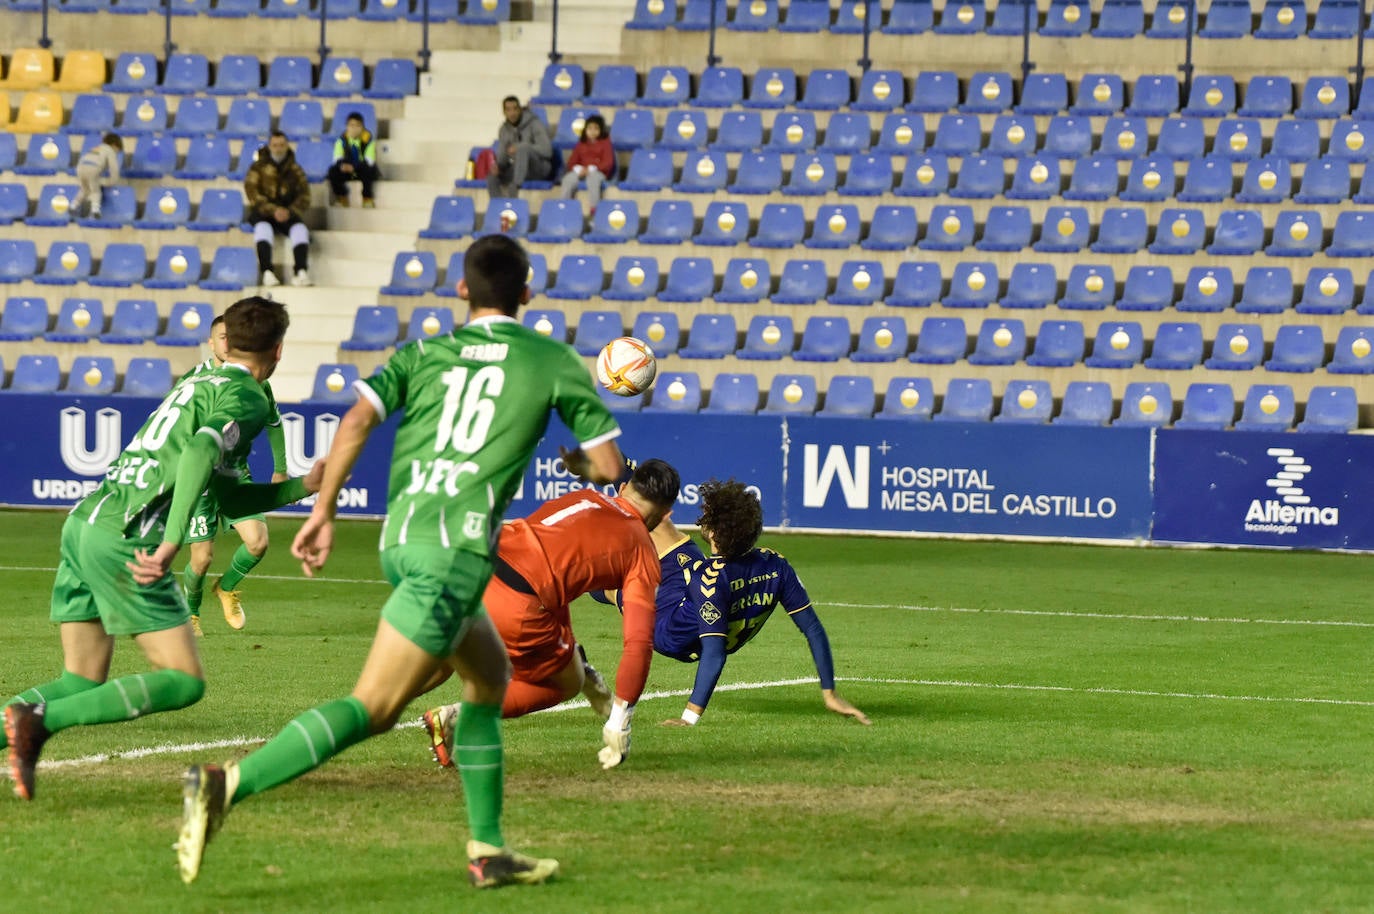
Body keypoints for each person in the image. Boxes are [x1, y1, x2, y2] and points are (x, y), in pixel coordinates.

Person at [175, 235, 627, 889]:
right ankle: (224, 785)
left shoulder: (426, 351)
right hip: (455, 551)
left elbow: (358, 418)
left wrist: (323, 509)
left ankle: (489, 849)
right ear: (527, 294)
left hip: (406, 537)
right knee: (376, 707)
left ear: (462, 291)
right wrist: (579, 463)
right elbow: (609, 467)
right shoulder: (551, 359)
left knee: (488, 679)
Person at [2, 296, 323, 802]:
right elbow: (198, 452)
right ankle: (33, 723)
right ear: (279, 350)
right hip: (129, 538)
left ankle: (23, 723)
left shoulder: (195, 382)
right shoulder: (252, 398)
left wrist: (304, 485)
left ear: (228, 340)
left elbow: (224, 492)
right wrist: (173, 539)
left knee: (81, 679)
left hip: (88, 520)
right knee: (182, 681)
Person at [420, 458, 681, 773]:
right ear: (665, 513)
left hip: (471, 564)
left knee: (435, 665)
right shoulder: (642, 552)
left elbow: (547, 566)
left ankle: (360, 712)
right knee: (564, 683)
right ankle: (455, 717)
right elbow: (639, 643)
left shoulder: (584, 498)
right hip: (516, 604)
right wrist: (620, 721)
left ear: (624, 488)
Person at [650, 480, 871, 729]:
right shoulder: (776, 566)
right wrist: (830, 693)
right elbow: (813, 629)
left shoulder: (709, 580)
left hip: (667, 630)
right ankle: (626, 483)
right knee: (657, 522)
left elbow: (714, 652)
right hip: (692, 602)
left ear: (712, 532)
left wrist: (688, 718)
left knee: (613, 581)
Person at [179, 315, 289, 637]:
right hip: (199, 480)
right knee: (201, 560)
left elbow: (273, 423)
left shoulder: (254, 381)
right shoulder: (192, 381)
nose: (229, 344)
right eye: (223, 338)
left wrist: (280, 469)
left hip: (234, 473)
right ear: (211, 343)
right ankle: (191, 613)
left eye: (234, 338)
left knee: (257, 542)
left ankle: (226, 588)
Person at [245, 131, 312, 288]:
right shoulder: (257, 168)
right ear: (270, 146)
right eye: (275, 145)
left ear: (287, 145)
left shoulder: (296, 169)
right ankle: (267, 272)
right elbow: (252, 193)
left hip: (288, 213)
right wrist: (273, 210)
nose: (278, 148)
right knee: (262, 228)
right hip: (264, 213)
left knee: (300, 230)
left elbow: (305, 196)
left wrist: (290, 211)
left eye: (282, 145)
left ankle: (301, 271)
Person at [486, 96, 553, 200]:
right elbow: (503, 157)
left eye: (515, 109)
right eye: (508, 110)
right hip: (517, 168)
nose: (512, 113)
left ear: (520, 109)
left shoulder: (535, 124)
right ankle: (499, 207)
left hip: (538, 168)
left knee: (523, 148)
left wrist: (522, 147)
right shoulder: (504, 129)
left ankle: (515, 187)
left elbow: (547, 150)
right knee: (492, 178)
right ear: (504, 112)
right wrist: (498, 167)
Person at [557, 114, 613, 214]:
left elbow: (608, 162)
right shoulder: (581, 144)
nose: (592, 131)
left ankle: (594, 209)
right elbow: (571, 162)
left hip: (598, 172)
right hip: (581, 171)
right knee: (568, 179)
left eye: (596, 128)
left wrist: (592, 168)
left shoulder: (605, 143)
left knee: (593, 179)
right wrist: (578, 169)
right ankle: (565, 207)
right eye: (590, 128)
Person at [328, 111, 379, 208]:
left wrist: (354, 167)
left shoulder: (368, 140)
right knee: (333, 170)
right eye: (351, 125)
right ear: (347, 126)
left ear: (362, 127)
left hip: (361, 169)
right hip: (346, 169)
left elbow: (369, 160)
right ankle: (342, 197)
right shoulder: (341, 140)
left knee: (369, 170)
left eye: (357, 126)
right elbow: (337, 158)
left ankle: (367, 198)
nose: (354, 129)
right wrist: (342, 165)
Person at [73, 132, 123, 219]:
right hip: (93, 169)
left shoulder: (95, 148)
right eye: (117, 151)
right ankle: (95, 210)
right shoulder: (110, 151)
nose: (116, 153)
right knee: (96, 191)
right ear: (115, 145)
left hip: (80, 168)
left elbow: (83, 159)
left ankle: (73, 205)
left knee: (85, 189)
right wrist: (111, 181)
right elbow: (114, 169)